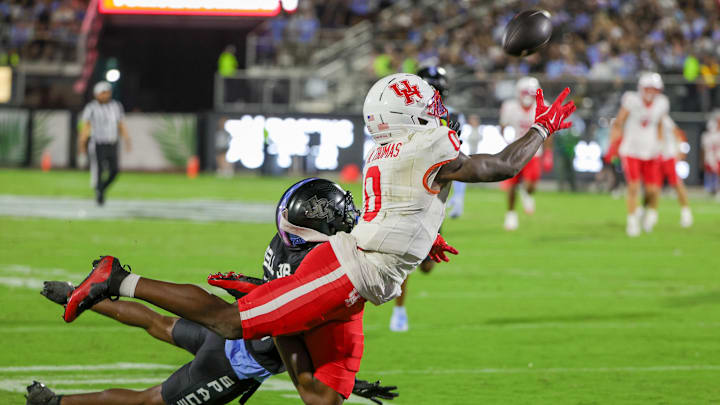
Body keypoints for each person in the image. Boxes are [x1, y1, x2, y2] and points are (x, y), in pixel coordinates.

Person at [60, 73, 575, 405]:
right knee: (228, 322)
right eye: (428, 103)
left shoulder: (395, 147)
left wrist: (422, 236)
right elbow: (503, 165)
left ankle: (279, 310)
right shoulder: (425, 144)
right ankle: (121, 278)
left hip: (366, 268)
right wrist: (543, 129)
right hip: (352, 270)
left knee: (323, 397)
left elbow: (401, 203)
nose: (437, 110)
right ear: (410, 116)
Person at [26, 179, 397, 405]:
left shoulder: (284, 245)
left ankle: (80, 293)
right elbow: (294, 331)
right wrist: (340, 373)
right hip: (236, 362)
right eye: (337, 212)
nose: (347, 217)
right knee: (151, 400)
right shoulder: (318, 266)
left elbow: (284, 299)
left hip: (231, 336)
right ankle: (54, 403)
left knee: (160, 324)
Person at [388, 66, 462, 333]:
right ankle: (399, 311)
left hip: (432, 196)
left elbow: (456, 162)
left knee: (428, 265)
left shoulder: (450, 118)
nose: (436, 94)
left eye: (438, 89)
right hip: (406, 193)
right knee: (406, 254)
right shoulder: (404, 116)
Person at [608, 72, 667, 236]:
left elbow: (660, 124)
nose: (651, 92)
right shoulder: (631, 100)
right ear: (641, 88)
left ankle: (649, 212)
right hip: (632, 149)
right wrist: (614, 141)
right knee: (633, 186)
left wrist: (660, 143)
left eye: (654, 89)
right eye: (648, 88)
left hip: (651, 150)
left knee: (652, 190)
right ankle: (632, 220)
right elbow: (619, 121)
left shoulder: (662, 103)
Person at [499, 77, 553, 231]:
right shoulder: (510, 107)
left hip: (534, 151)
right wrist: (508, 143)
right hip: (516, 151)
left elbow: (550, 132)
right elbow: (502, 127)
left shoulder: (543, 107)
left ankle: (526, 192)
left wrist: (548, 152)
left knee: (531, 185)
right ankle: (510, 215)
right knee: (511, 185)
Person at [78, 81, 131, 206]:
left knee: (114, 171)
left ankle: (100, 189)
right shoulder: (91, 107)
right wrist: (82, 142)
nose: (105, 95)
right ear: (96, 94)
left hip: (112, 143)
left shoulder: (116, 106)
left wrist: (127, 139)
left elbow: (120, 124)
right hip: (98, 143)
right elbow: (86, 127)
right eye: (103, 93)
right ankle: (100, 194)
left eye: (107, 93)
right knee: (99, 170)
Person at [656, 115, 692, 227]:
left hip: (668, 154)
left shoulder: (665, 119)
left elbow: (678, 133)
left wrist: (680, 150)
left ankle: (686, 212)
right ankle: (650, 213)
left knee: (676, 183)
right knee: (652, 185)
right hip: (654, 155)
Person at [701, 111, 720, 198]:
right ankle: (708, 188)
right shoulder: (706, 136)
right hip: (710, 156)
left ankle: (716, 189)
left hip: (717, 155)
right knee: (709, 173)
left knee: (716, 172)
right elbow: (705, 148)